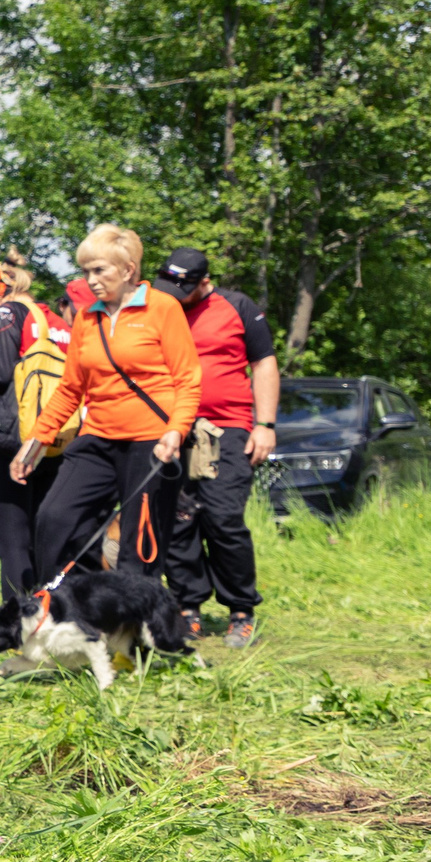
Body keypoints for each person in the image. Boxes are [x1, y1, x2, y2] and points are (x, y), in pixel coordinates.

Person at [12, 225, 201, 588]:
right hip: (97, 437)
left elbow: (187, 379)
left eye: (99, 270)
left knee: (137, 545)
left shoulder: (163, 308)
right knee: (54, 518)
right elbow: (70, 389)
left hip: (151, 442)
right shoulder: (87, 317)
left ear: (128, 270)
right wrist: (35, 442)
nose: (91, 280)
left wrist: (176, 432)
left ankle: (127, 639)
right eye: (85, 271)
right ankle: (65, 608)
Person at [156, 246, 278, 649]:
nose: (175, 293)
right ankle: (187, 607)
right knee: (178, 521)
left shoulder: (237, 306)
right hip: (173, 430)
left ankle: (241, 610)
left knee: (223, 518)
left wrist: (265, 425)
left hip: (227, 429)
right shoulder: (161, 306)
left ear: (204, 281)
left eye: (184, 287)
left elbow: (263, 364)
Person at [0, 259, 63, 609]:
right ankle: (50, 608)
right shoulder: (57, 320)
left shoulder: (9, 313)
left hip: (15, 438)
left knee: (12, 535)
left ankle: (17, 616)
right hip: (57, 439)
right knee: (44, 530)